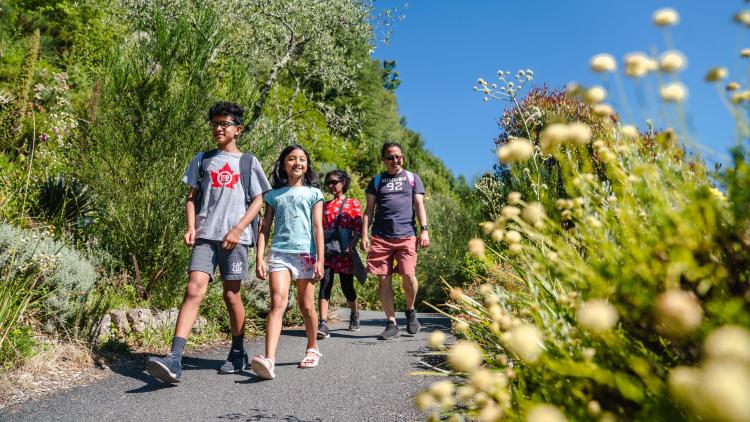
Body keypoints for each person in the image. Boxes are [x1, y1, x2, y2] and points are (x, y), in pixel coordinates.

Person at [146, 101, 271, 383]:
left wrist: (238, 229)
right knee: (194, 289)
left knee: (231, 295)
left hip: (234, 240)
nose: (217, 128)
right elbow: (191, 197)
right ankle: (175, 358)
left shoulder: (248, 162)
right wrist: (191, 227)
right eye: (214, 123)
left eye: (224, 124)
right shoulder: (202, 159)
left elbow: (259, 200)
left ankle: (237, 350)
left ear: (237, 129)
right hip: (205, 235)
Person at [251, 144, 325, 380]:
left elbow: (317, 227)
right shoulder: (273, 195)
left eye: (302, 159)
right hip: (280, 254)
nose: (297, 163)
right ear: (283, 164)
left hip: (306, 254)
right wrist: (260, 257)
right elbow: (265, 227)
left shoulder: (314, 193)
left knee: (306, 306)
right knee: (277, 303)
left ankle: (312, 348)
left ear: (307, 164)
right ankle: (269, 359)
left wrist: (320, 260)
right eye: (291, 159)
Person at [361, 141, 430, 340]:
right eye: (390, 157)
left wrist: (424, 230)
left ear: (402, 157)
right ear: (384, 160)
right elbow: (369, 210)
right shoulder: (376, 181)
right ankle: (391, 322)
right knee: (383, 280)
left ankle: (410, 310)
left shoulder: (412, 178)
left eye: (398, 156)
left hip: (406, 235)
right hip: (381, 237)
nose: (394, 160)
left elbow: (419, 205)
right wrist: (365, 235)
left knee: (409, 276)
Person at [316, 170, 362, 339]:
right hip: (328, 250)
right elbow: (319, 228)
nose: (331, 185)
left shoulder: (353, 203)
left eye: (334, 182)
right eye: (328, 182)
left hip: (344, 250)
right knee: (325, 283)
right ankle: (322, 322)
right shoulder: (324, 205)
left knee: (347, 287)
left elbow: (358, 226)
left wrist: (353, 243)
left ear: (343, 182)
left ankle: (355, 313)